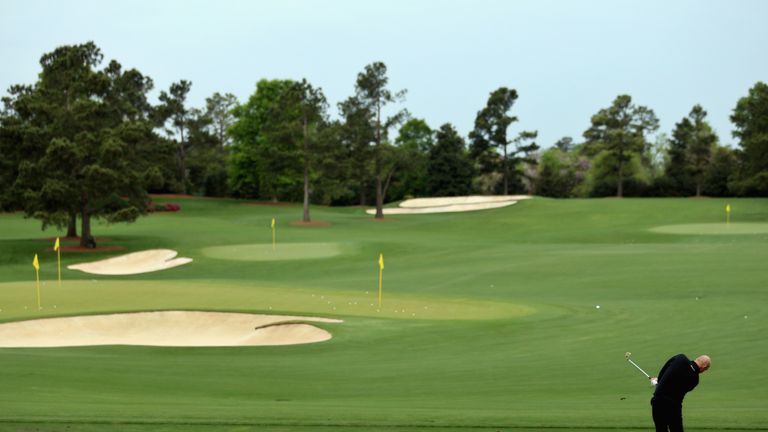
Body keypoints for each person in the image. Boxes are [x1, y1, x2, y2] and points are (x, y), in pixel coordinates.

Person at [650, 354, 711, 432]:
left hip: (658, 401)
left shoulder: (680, 358)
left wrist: (658, 382)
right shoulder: (695, 380)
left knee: (661, 429)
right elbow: (677, 389)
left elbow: (664, 370)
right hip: (674, 406)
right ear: (704, 367)